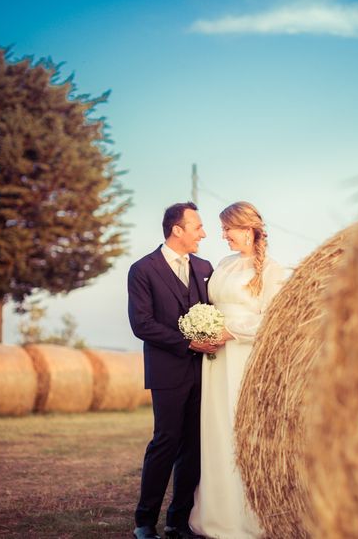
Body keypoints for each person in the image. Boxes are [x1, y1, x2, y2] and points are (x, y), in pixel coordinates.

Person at [189, 202, 289, 539]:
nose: (223, 235)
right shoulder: (224, 264)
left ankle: (246, 518)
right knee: (215, 430)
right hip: (215, 359)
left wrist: (231, 331)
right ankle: (216, 515)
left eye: (227, 228)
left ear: (247, 229)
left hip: (244, 360)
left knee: (238, 430)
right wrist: (204, 329)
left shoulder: (273, 270)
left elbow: (274, 321)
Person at [128, 202, 222, 539]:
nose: (204, 233)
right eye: (198, 226)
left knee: (195, 446)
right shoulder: (143, 270)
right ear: (177, 230)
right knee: (165, 442)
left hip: (206, 372)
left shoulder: (205, 266)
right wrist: (188, 344)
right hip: (167, 371)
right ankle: (145, 521)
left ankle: (178, 521)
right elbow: (142, 324)